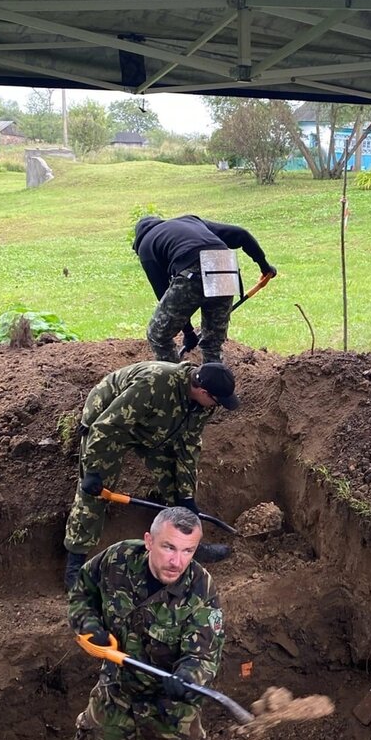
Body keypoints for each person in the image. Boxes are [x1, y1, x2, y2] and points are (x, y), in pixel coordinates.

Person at [56, 506, 224, 740]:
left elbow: (203, 656)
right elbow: (81, 592)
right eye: (169, 547)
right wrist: (89, 625)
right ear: (149, 541)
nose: (178, 561)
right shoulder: (116, 560)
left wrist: (188, 677)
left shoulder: (201, 589)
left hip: (168, 704)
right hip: (116, 690)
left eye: (188, 551)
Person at [63, 360, 239, 590]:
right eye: (216, 401)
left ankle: (186, 544)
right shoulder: (154, 384)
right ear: (203, 391)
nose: (215, 406)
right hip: (109, 421)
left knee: (177, 488)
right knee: (95, 492)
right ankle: (75, 567)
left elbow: (188, 447)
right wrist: (93, 469)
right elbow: (107, 425)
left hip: (154, 426)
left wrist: (186, 497)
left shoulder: (201, 405)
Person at [133, 213, 277, 363]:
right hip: (226, 267)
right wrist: (264, 267)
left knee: (158, 335)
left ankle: (175, 382)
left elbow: (163, 292)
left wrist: (188, 333)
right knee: (212, 344)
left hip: (193, 269)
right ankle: (214, 382)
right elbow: (241, 234)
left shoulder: (146, 245)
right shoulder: (190, 221)